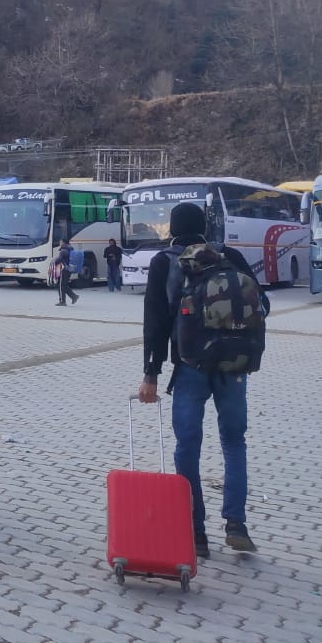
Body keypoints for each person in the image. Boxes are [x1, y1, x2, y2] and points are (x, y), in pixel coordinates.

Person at [138, 201, 260, 558]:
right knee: (234, 443)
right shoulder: (230, 256)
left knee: (187, 446)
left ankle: (196, 532)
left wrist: (151, 373)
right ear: (206, 226)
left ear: (173, 228)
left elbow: (155, 322)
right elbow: (260, 304)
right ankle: (236, 524)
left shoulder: (165, 262)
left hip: (190, 366)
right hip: (234, 366)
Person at [54, 238, 79, 306]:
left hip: (64, 270)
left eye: (61, 241)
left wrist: (54, 261)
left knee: (60, 285)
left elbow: (58, 260)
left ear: (64, 242)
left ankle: (62, 301)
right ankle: (74, 296)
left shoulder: (63, 250)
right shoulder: (70, 249)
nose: (60, 242)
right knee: (63, 284)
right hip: (69, 269)